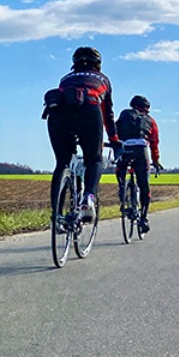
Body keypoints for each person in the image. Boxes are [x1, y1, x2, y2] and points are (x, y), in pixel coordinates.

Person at [44, 46, 118, 223]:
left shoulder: (65, 79)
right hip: (89, 111)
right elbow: (108, 113)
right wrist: (114, 139)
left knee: (62, 163)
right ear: (98, 64)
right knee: (94, 159)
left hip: (57, 114)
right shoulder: (103, 79)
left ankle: (56, 215)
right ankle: (89, 198)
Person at [114, 94, 162, 233]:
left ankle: (123, 193)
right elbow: (154, 142)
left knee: (120, 171)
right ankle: (144, 218)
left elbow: (115, 130)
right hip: (141, 150)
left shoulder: (124, 115)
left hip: (125, 149)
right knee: (144, 185)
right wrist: (156, 160)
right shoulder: (150, 120)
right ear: (146, 108)